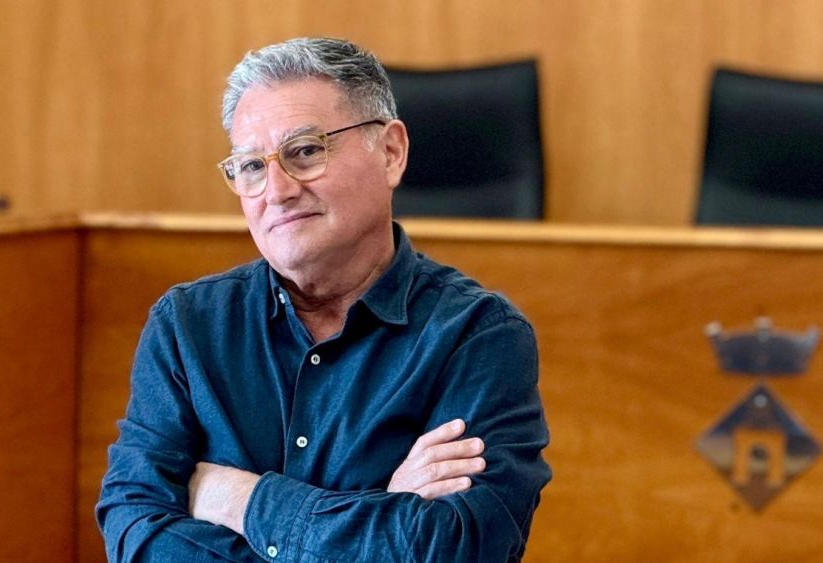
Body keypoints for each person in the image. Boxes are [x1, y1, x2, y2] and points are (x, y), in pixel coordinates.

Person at [97, 37, 551, 562]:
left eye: (306, 151)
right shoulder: (187, 326)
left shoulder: (479, 336)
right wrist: (382, 514)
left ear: (391, 152)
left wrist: (239, 499)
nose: (277, 190)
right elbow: (135, 535)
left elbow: (454, 550)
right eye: (251, 166)